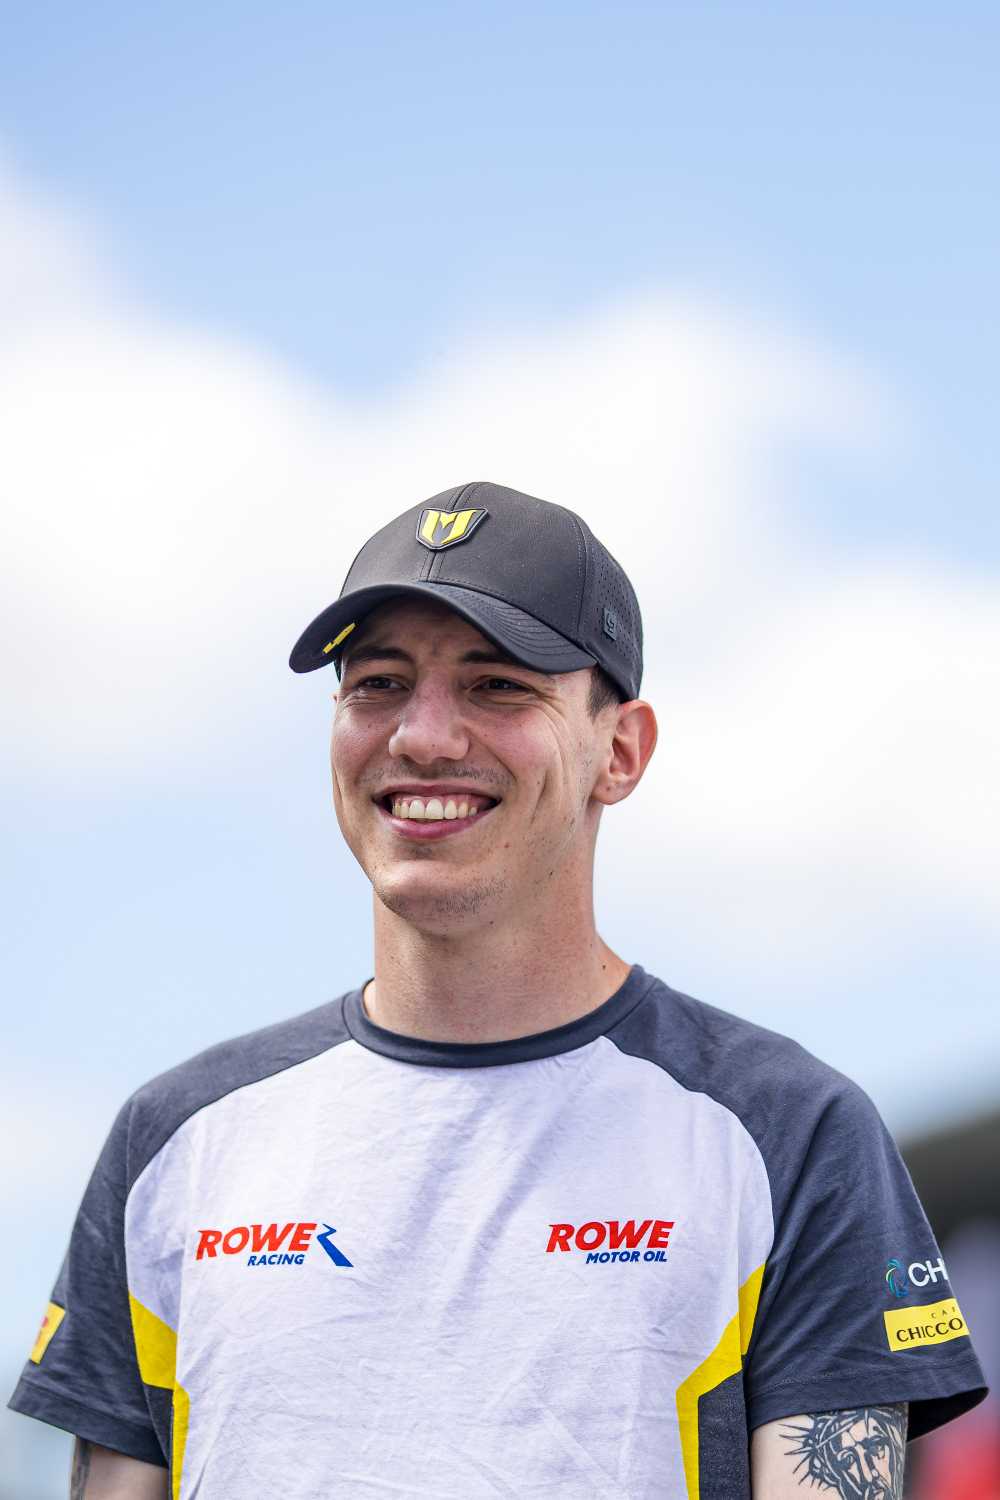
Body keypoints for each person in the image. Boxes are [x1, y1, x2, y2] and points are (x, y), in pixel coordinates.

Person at [9, 481, 987, 1498]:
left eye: (497, 686)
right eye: (377, 683)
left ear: (620, 751)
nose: (422, 736)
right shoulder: (176, 1139)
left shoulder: (790, 1132)